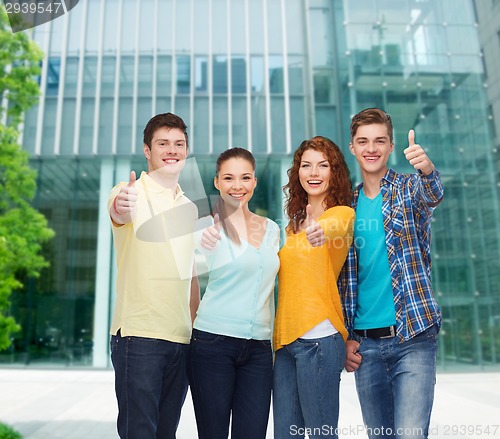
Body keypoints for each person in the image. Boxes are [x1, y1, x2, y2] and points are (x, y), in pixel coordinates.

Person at [340, 108, 444, 439]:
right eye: (363, 141)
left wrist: (426, 169)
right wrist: (347, 337)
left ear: (391, 146)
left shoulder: (408, 190)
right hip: (365, 346)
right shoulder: (346, 208)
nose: (371, 148)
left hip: (413, 337)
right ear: (352, 147)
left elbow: (432, 194)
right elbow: (343, 282)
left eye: (380, 141)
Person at [108, 112, 200, 439]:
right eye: (163, 143)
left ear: (186, 151)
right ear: (148, 150)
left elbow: (190, 275)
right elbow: (118, 210)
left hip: (180, 339)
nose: (172, 150)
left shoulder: (190, 207)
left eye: (179, 144)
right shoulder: (130, 190)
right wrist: (122, 204)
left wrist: (194, 329)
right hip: (139, 336)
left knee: (166, 434)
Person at [188, 147, 280, 439]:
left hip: (259, 350)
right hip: (212, 344)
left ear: (254, 182)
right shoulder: (205, 228)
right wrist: (192, 332)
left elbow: (271, 289)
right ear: (217, 182)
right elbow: (188, 282)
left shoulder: (273, 230)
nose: (237, 186)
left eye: (245, 178)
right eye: (228, 178)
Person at [273, 136, 355, 439]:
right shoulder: (292, 227)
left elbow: (331, 229)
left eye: (323, 165)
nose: (314, 172)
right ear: (298, 173)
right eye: (306, 165)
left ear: (334, 172)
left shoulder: (342, 215)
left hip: (320, 342)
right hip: (285, 345)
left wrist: (318, 229)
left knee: (321, 434)